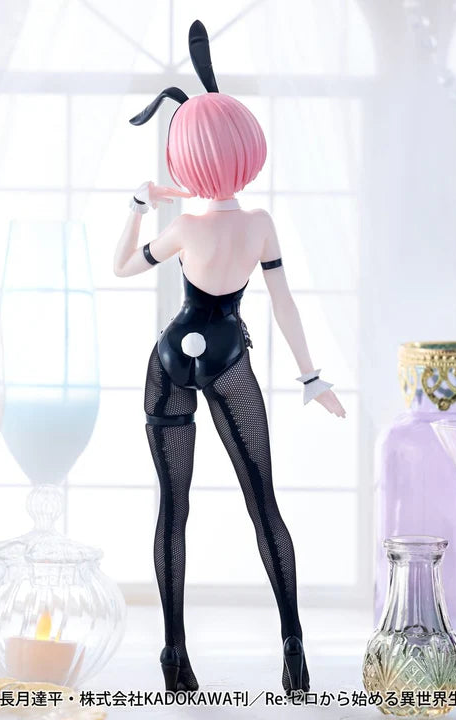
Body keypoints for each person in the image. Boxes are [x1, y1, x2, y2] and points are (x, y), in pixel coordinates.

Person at [113, 20, 345, 695]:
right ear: (245, 150)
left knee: (173, 509)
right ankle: (293, 646)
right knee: (261, 499)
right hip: (225, 354)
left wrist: (138, 205)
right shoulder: (258, 225)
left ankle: (174, 655)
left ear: (186, 158)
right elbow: (284, 303)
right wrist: (312, 378)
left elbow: (123, 266)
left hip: (169, 357)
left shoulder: (184, 227)